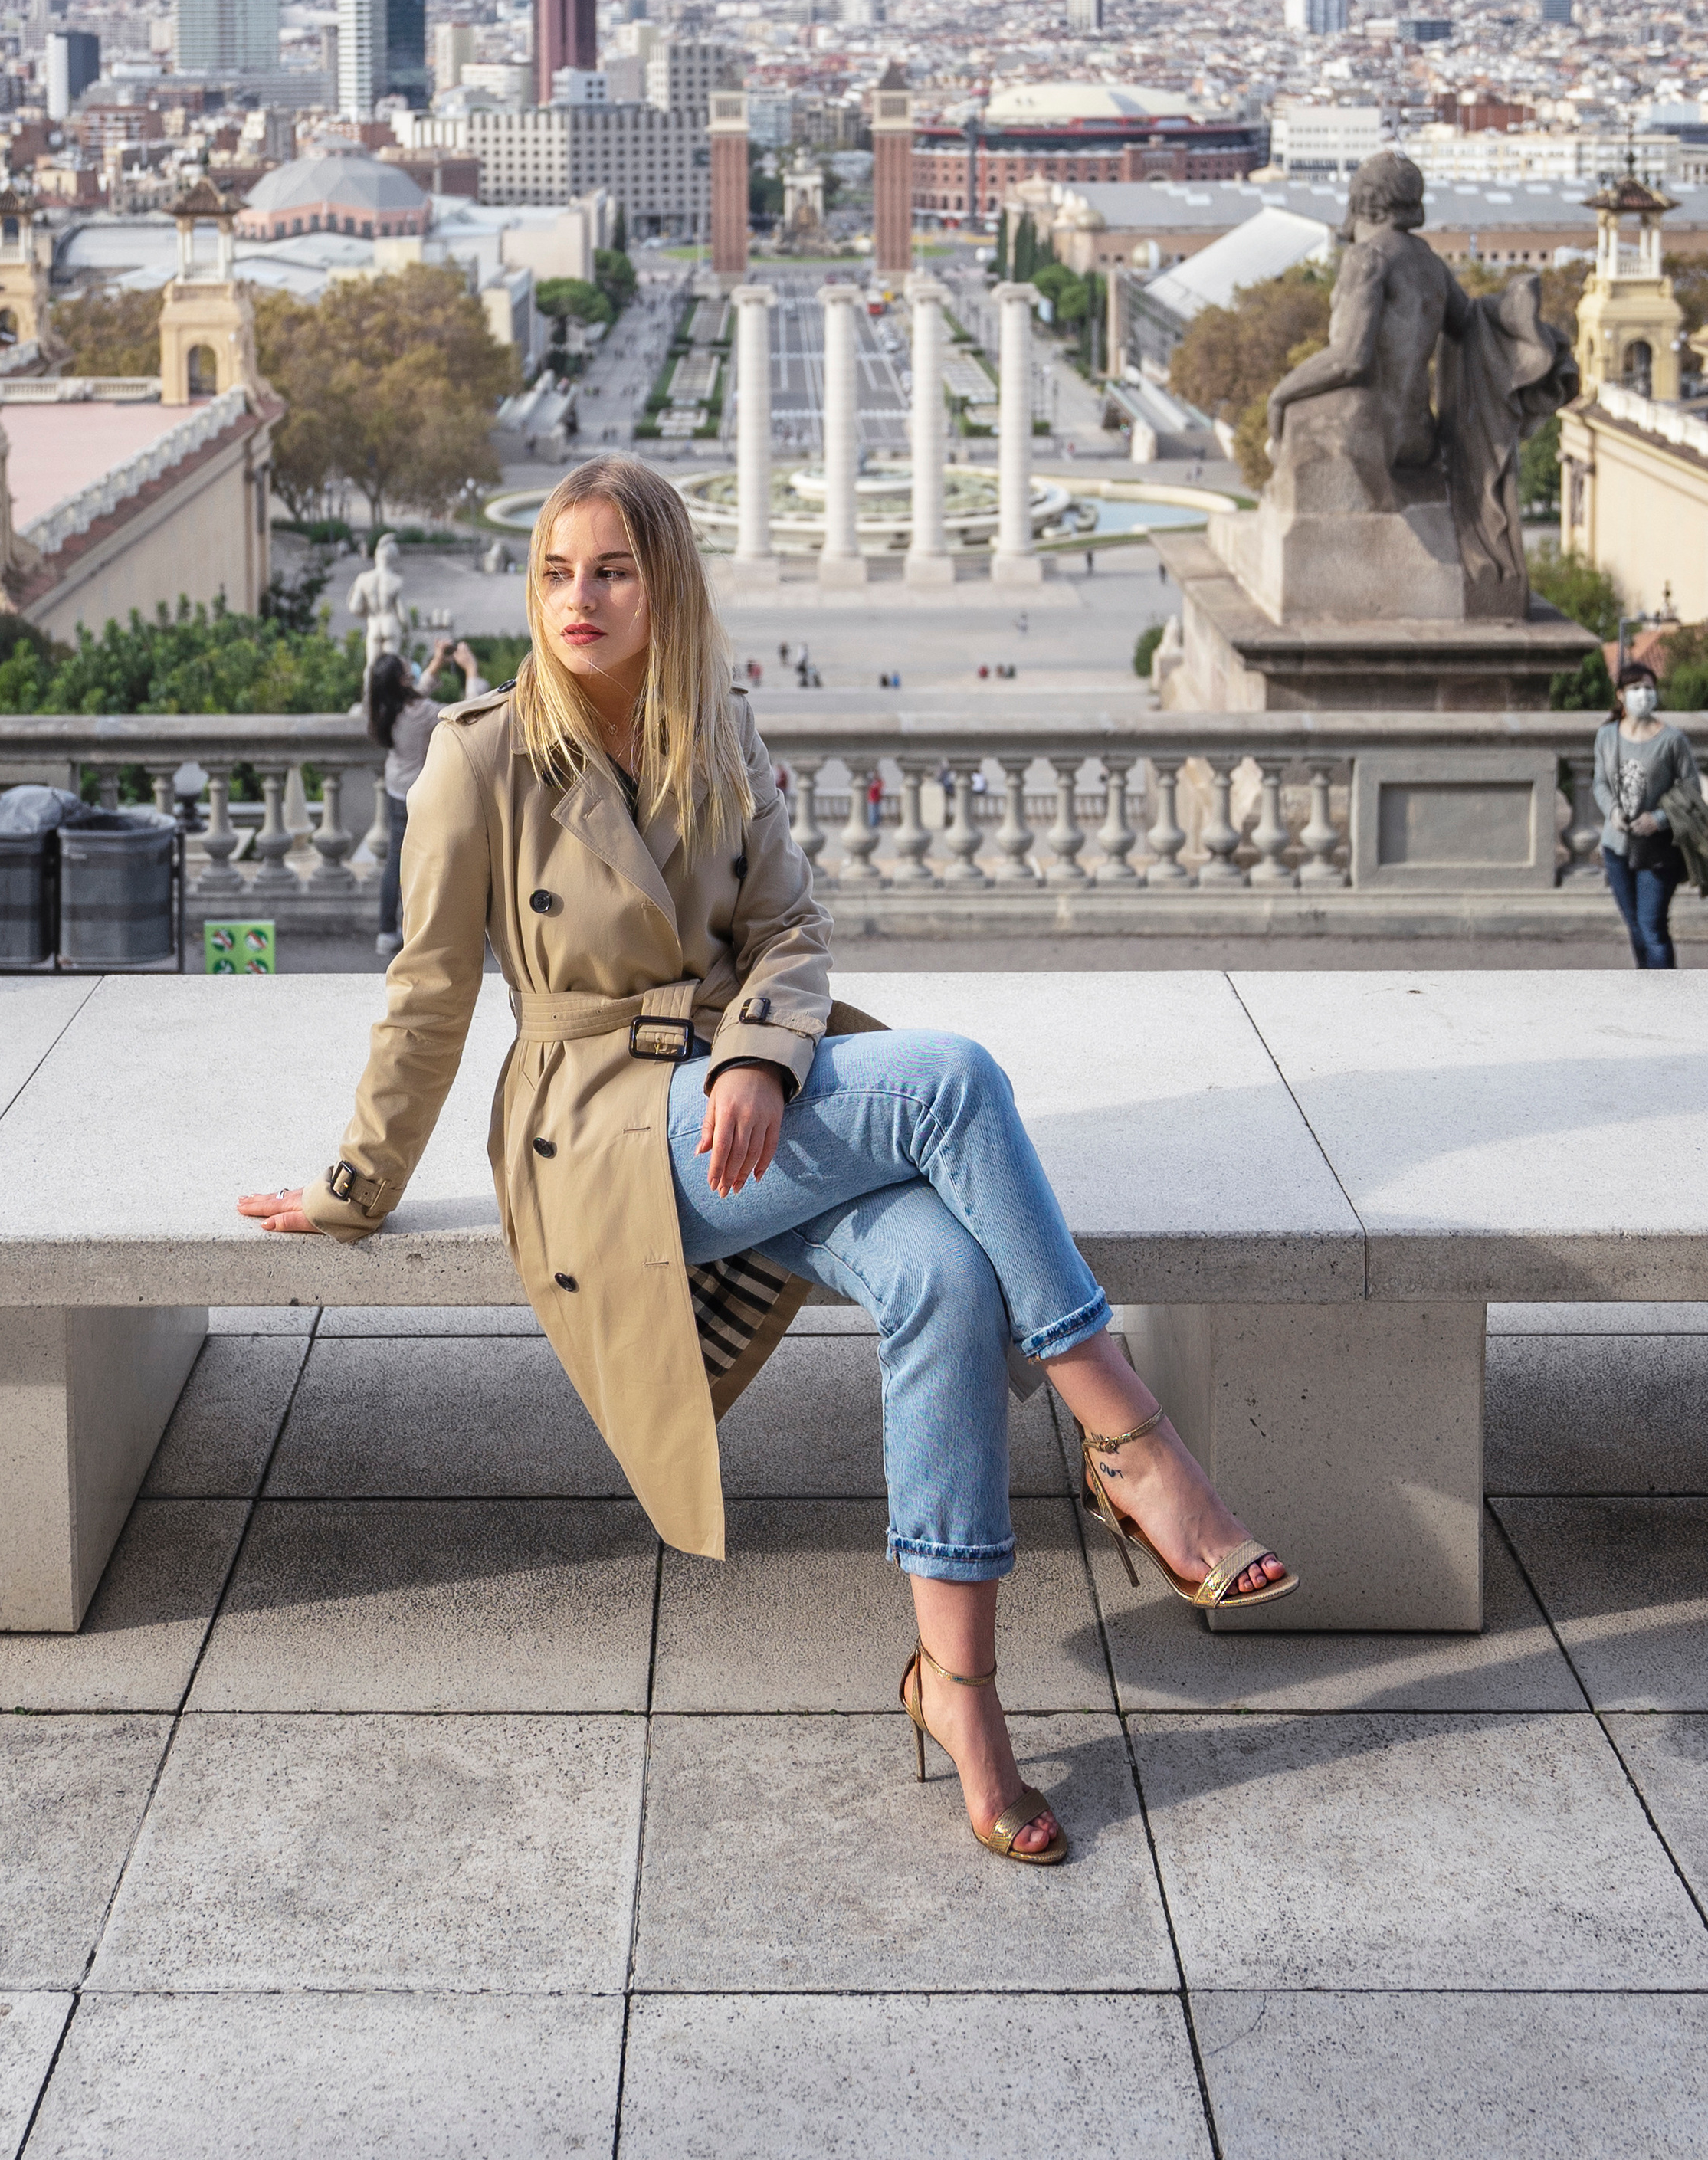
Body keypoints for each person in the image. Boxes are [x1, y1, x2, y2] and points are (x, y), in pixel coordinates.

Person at [238, 454, 1291, 1867]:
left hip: (744, 1100)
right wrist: (352, 1185)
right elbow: (427, 995)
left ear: (664, 584)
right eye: (555, 571)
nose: (579, 599)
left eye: (611, 570)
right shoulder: (477, 756)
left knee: (941, 1276)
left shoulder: (714, 726)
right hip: (601, 1120)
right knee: (953, 1084)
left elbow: (791, 931)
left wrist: (757, 1055)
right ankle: (1131, 1439)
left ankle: (961, 1698)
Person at [366, 637, 479, 955]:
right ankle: (426, 934)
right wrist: (470, 672)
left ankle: (386, 931)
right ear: (403, 680)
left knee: (395, 862)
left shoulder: (384, 704)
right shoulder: (423, 712)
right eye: (408, 669)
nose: (413, 671)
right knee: (431, 863)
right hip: (419, 795)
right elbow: (470, 716)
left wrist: (437, 662)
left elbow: (415, 694)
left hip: (394, 788)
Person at [1595, 660, 1700, 970]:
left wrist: (1659, 819)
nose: (1643, 694)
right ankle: (1646, 992)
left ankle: (1665, 998)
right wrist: (1612, 812)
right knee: (1636, 929)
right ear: (1621, 695)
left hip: (1657, 848)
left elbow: (1691, 788)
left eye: (1649, 688)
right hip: (1616, 846)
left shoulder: (1672, 740)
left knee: (1652, 927)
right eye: (1636, 688)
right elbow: (1599, 782)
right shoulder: (1607, 736)